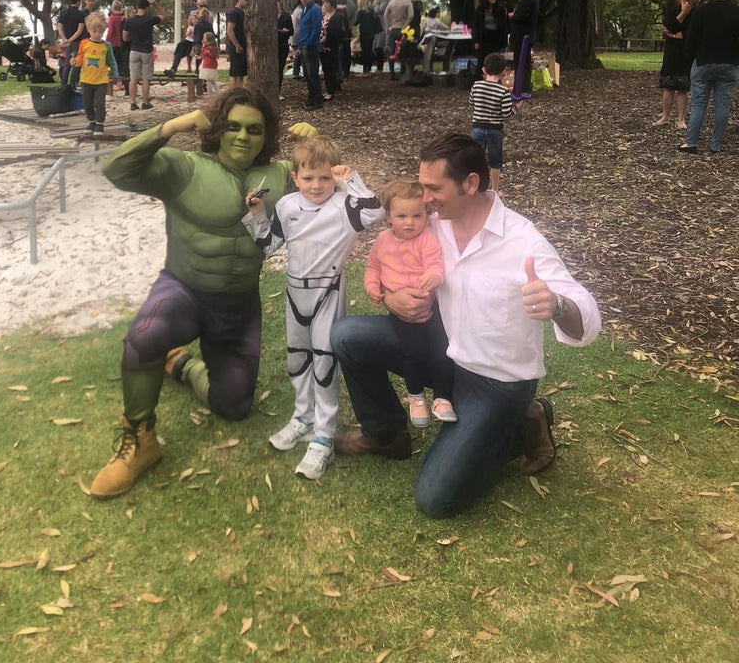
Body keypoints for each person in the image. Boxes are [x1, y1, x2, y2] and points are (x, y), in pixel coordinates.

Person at [331, 133, 601, 519]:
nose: (424, 199)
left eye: (433, 188)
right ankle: (385, 434)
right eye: (422, 187)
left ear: (470, 184)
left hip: (495, 381)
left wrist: (557, 305)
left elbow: (586, 316)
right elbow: (390, 249)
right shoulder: (433, 225)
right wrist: (390, 297)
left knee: (435, 499)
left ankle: (526, 424)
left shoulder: (522, 242)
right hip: (439, 355)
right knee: (348, 336)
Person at [89, 88, 317, 499]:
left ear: (267, 135)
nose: (243, 136)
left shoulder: (283, 176)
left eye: (254, 129)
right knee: (144, 336)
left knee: (234, 407)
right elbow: (115, 169)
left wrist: (317, 149)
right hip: (184, 291)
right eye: (233, 126)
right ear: (216, 129)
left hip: (238, 305)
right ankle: (140, 440)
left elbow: (337, 197)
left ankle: (179, 364)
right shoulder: (183, 167)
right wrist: (168, 128)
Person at [242, 136, 383, 480]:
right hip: (295, 293)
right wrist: (257, 213)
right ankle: (303, 418)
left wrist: (350, 179)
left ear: (334, 176)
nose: (316, 185)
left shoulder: (345, 206)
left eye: (325, 177)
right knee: (298, 359)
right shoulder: (287, 205)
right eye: (308, 178)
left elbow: (376, 210)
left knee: (324, 363)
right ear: (295, 177)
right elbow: (270, 245)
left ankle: (323, 437)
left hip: (327, 293)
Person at [364, 178, 454, 428]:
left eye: (417, 216)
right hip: (400, 310)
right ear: (388, 217)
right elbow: (373, 267)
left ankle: (442, 398)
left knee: (441, 349)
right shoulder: (382, 241)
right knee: (413, 351)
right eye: (401, 216)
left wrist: (434, 277)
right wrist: (372, 287)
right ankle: (416, 397)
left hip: (429, 305)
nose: (409, 222)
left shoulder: (426, 239)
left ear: (426, 215)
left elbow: (435, 263)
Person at [678, 0, 739, 154]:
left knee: (699, 103)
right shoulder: (736, 11)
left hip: (703, 62)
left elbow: (691, 40)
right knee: (722, 105)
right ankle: (716, 145)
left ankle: (691, 143)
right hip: (728, 64)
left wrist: (690, 57)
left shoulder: (701, 11)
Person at [654, 0, 700, 129]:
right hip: (671, 53)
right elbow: (669, 26)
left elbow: (693, 33)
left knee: (682, 88)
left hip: (686, 55)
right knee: (668, 87)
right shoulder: (672, 11)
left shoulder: (697, 14)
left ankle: (681, 119)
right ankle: (665, 116)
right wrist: (682, 14)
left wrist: (676, 34)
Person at [469, 52, 515, 194]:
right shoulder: (503, 91)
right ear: (503, 73)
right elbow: (507, 113)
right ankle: (494, 189)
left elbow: (471, 102)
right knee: (495, 160)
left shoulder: (476, 86)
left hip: (477, 128)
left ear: (484, 70)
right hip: (495, 130)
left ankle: (476, 187)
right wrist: (516, 107)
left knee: (477, 157)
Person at [71, 12, 119, 133]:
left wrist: (116, 76)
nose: (98, 34)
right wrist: (75, 61)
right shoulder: (84, 43)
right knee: (87, 103)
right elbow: (80, 58)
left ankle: (100, 124)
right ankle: (91, 122)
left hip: (101, 81)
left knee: (99, 104)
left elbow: (112, 62)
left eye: (100, 32)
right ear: (88, 29)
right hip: (86, 80)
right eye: (95, 31)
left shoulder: (106, 46)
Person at [123, 0, 167, 111]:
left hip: (134, 50)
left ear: (137, 7)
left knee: (133, 77)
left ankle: (133, 102)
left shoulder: (129, 21)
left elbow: (124, 37)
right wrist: (156, 4)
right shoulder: (150, 19)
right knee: (146, 78)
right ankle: (144, 102)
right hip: (146, 50)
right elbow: (164, 16)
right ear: (147, 8)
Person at [508, 0, 539, 98]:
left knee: (521, 62)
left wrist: (513, 16)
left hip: (522, 37)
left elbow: (522, 16)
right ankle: (522, 87)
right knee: (524, 62)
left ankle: (521, 88)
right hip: (526, 35)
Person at [297, 0, 324, 110]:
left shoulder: (315, 10)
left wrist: (308, 43)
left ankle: (318, 100)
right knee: (307, 74)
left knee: (313, 73)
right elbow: (303, 29)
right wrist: (300, 45)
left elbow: (316, 28)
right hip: (303, 45)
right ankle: (311, 96)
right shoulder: (304, 9)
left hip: (311, 46)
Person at [472, 0, 508, 76]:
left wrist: (504, 43)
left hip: (495, 38)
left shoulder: (500, 9)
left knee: (495, 60)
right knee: (482, 60)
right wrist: (476, 40)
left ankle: (494, 79)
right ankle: (479, 79)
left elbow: (504, 26)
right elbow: (476, 25)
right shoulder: (481, 9)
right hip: (483, 38)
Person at [384, 0, 414, 81]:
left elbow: (385, 14)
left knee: (392, 51)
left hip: (393, 29)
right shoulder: (407, 1)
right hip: (403, 30)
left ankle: (392, 73)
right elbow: (411, 15)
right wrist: (405, 25)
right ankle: (403, 72)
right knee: (403, 51)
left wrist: (388, 26)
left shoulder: (392, 1)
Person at [57, 0, 86, 87]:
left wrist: (65, 39)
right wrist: (71, 40)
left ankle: (63, 84)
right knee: (76, 63)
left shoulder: (64, 12)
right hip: (76, 41)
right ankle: (72, 83)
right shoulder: (80, 14)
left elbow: (59, 28)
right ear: (78, 2)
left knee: (67, 63)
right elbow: (80, 30)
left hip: (67, 42)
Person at [320, 0, 345, 100]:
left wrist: (326, 39)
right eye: (324, 3)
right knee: (326, 69)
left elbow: (336, 32)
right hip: (322, 47)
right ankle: (328, 89)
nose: (325, 5)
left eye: (327, 3)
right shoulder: (324, 16)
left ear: (332, 4)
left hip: (331, 47)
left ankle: (331, 91)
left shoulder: (336, 17)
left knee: (331, 69)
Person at [226, 0, 249, 88]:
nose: (247, 1)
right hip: (237, 47)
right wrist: (237, 45)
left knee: (241, 74)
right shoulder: (234, 12)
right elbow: (230, 30)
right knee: (235, 74)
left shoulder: (243, 13)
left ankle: (239, 94)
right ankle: (232, 94)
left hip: (243, 46)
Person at [165, 9, 198, 78]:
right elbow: (187, 34)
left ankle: (194, 69)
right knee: (179, 49)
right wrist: (188, 33)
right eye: (192, 19)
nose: (194, 21)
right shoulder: (190, 27)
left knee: (190, 53)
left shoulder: (199, 26)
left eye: (195, 19)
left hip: (194, 42)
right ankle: (173, 68)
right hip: (188, 41)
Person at [106, 0, 128, 92]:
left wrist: (106, 41)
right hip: (123, 42)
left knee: (114, 64)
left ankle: (117, 82)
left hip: (114, 43)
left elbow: (110, 31)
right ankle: (124, 82)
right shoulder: (124, 17)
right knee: (122, 64)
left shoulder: (112, 18)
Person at [355, 0, 379, 74]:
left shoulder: (360, 12)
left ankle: (365, 69)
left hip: (364, 33)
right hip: (371, 33)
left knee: (364, 51)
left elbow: (356, 23)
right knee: (369, 50)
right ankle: (369, 67)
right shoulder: (371, 10)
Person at [277, 0, 294, 97]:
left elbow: (291, 31)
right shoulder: (268, 15)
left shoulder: (286, 15)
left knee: (279, 69)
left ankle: (277, 91)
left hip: (283, 45)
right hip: (272, 45)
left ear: (279, 3)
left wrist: (285, 31)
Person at [192, 5, 215, 77]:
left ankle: (197, 69)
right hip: (206, 42)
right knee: (205, 56)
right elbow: (211, 33)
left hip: (198, 41)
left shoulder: (197, 24)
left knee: (198, 56)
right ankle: (203, 68)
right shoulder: (209, 25)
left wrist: (194, 41)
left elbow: (195, 33)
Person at [371, 0, 389, 72]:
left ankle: (380, 67)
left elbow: (379, 10)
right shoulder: (374, 2)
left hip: (382, 26)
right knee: (375, 47)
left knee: (379, 46)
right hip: (375, 27)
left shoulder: (385, 1)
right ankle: (378, 66)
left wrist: (375, 2)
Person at [198, 31, 220, 96]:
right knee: (212, 81)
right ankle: (217, 92)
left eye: (204, 38)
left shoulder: (210, 47)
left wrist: (203, 46)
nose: (203, 39)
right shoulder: (211, 47)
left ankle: (210, 94)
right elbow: (203, 55)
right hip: (209, 64)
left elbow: (206, 53)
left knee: (209, 81)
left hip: (208, 65)